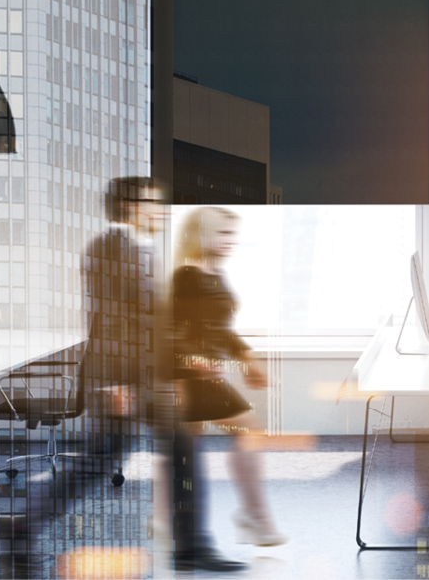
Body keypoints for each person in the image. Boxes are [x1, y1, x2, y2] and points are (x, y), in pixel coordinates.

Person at [172, 206, 287, 573]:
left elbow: (221, 328)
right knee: (246, 433)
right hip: (195, 378)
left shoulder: (213, 273)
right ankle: (251, 517)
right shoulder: (186, 276)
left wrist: (246, 356)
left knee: (190, 460)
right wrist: (185, 374)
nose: (229, 241)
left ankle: (194, 543)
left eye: (231, 234)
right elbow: (171, 331)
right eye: (221, 233)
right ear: (200, 234)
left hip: (210, 375)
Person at [82, 177, 164, 479]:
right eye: (152, 204)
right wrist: (117, 381)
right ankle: (26, 523)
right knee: (97, 463)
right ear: (130, 207)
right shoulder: (113, 250)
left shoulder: (135, 249)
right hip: (122, 373)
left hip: (138, 372)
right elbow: (110, 318)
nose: (159, 210)